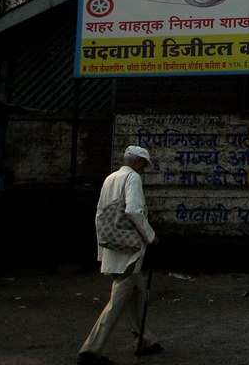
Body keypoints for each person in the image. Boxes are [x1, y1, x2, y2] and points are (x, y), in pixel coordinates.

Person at [78, 146, 163, 365]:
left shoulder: (110, 179)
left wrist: (102, 249)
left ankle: (145, 339)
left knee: (137, 292)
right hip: (130, 249)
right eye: (143, 165)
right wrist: (150, 236)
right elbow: (134, 210)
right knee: (118, 300)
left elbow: (101, 214)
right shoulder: (132, 178)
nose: (143, 170)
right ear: (137, 163)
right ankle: (91, 350)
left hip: (114, 245)